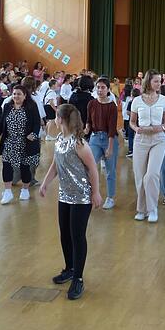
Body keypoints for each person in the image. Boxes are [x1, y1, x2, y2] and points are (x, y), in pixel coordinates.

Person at [40, 104, 102, 300]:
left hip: (81, 197)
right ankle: (69, 268)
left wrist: (96, 193)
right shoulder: (59, 139)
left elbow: (93, 169)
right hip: (64, 195)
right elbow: (55, 164)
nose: (54, 121)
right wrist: (45, 183)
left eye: (56, 117)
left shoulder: (80, 144)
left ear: (62, 120)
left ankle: (78, 279)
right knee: (64, 235)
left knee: (77, 236)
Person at [130, 70, 165, 223]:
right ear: (148, 82)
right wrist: (136, 129)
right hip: (140, 140)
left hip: (158, 139)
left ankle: (152, 209)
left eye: (160, 81)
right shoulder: (137, 101)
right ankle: (141, 209)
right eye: (156, 81)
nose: (159, 84)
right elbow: (132, 122)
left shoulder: (163, 100)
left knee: (152, 174)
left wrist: (161, 128)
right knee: (140, 176)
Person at [0, 85, 41, 204]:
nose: (16, 96)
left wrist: (34, 134)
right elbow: (1, 122)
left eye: (19, 94)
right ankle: (8, 192)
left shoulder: (31, 107)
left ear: (25, 96)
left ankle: (25, 190)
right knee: (7, 165)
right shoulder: (8, 106)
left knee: (25, 167)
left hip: (25, 142)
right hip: (10, 141)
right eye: (14, 94)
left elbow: (37, 122)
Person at [86, 77, 119, 210]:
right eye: (98, 87)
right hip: (94, 138)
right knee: (89, 166)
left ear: (108, 89)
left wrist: (110, 148)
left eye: (103, 87)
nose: (100, 90)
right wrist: (87, 128)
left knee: (110, 170)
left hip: (108, 138)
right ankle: (92, 195)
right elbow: (88, 120)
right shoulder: (91, 104)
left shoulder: (112, 106)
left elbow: (112, 128)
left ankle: (110, 197)